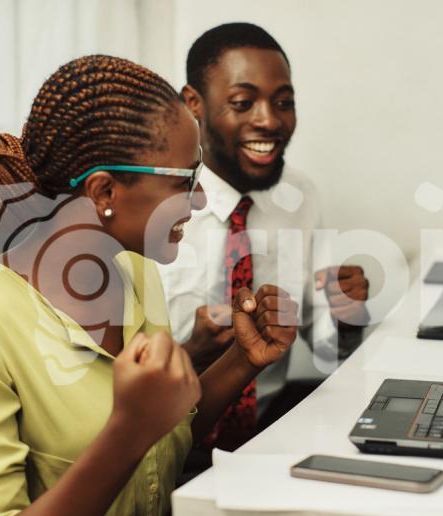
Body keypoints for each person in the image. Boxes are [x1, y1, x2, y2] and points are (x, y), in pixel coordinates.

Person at [0, 54, 297, 516]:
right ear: (104, 191)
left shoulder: (134, 273)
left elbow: (163, 435)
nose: (202, 199)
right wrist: (128, 432)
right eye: (185, 180)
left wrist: (243, 361)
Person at [158, 23, 370, 447]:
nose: (269, 120)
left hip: (265, 432)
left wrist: (345, 318)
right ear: (193, 104)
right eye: (242, 102)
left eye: (283, 102)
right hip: (160, 442)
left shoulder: (299, 197)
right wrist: (192, 350)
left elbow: (325, 350)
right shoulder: (152, 206)